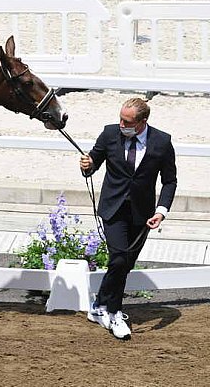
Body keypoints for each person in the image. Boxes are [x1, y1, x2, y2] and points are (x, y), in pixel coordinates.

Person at [79, 97, 177, 340]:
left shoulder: (162, 142)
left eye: (127, 121)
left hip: (142, 214)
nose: (121, 124)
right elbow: (92, 164)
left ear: (142, 122)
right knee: (120, 258)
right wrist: (87, 165)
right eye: (120, 118)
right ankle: (114, 313)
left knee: (124, 264)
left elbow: (169, 181)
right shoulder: (109, 133)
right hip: (113, 209)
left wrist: (160, 211)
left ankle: (99, 305)